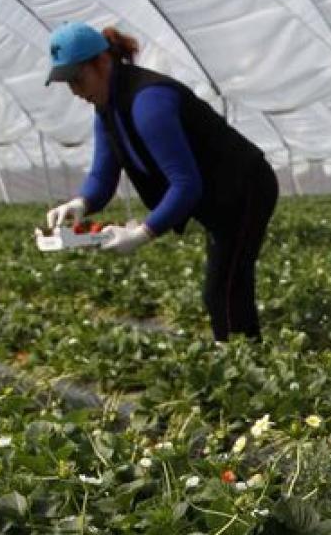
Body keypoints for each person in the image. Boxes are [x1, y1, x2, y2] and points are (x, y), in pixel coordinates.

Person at [44, 22, 278, 342]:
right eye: (67, 82)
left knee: (223, 288)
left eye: (77, 78)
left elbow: (185, 184)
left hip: (246, 187)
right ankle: (244, 357)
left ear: (102, 62)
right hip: (215, 197)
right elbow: (102, 174)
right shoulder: (106, 108)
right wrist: (80, 203)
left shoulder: (148, 102)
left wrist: (142, 233)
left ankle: (244, 363)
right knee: (225, 285)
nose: (75, 90)